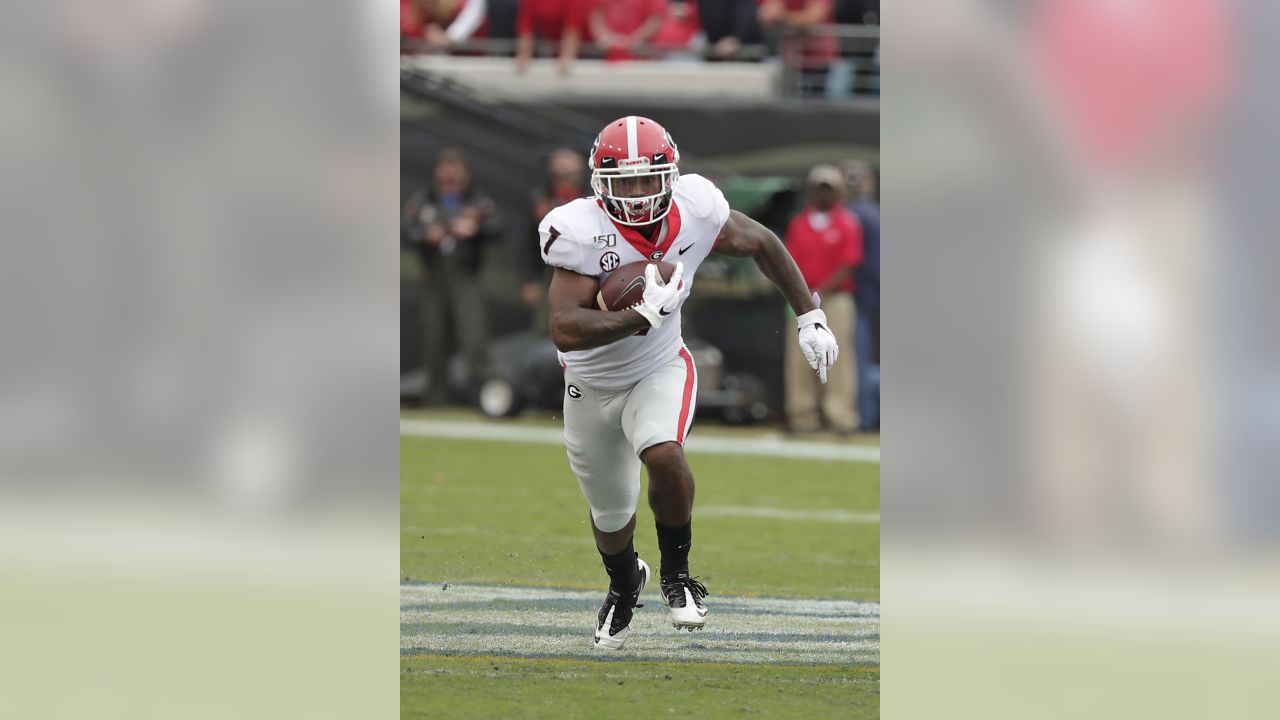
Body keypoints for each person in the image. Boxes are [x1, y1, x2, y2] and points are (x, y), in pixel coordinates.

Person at [538, 116, 839, 649]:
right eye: (622, 182)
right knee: (611, 515)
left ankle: (678, 577)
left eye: (645, 179)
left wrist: (808, 316)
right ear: (599, 183)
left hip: (660, 367)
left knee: (664, 453)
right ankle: (626, 582)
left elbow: (763, 242)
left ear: (670, 174)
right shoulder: (579, 229)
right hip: (590, 386)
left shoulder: (696, 208)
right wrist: (639, 316)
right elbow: (565, 330)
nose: (634, 194)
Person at [402, 148, 502, 405]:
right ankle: (436, 397)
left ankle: (481, 396)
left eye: (455, 171)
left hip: (466, 277)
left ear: (465, 175)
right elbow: (405, 230)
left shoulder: (477, 202)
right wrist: (425, 235)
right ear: (437, 173)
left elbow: (499, 227)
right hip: (434, 277)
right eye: (445, 170)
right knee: (434, 338)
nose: (450, 177)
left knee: (473, 337)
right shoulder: (423, 200)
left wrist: (475, 229)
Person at [782, 164, 863, 434]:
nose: (824, 195)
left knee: (837, 357)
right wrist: (803, 294)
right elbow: (789, 262)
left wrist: (821, 291)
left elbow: (848, 264)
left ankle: (840, 417)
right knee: (800, 358)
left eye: (829, 189)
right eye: (820, 189)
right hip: (803, 300)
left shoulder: (847, 223)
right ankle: (802, 417)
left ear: (839, 192)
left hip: (835, 300)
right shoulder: (799, 224)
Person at [523, 147, 589, 333]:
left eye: (569, 174)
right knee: (545, 325)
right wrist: (530, 279)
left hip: (584, 269)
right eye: (560, 174)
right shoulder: (541, 199)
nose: (565, 179)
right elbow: (529, 241)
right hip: (549, 270)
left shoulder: (590, 198)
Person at [845, 160, 879, 431]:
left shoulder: (858, 215)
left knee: (858, 358)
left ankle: (866, 418)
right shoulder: (872, 213)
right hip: (868, 295)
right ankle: (866, 417)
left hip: (861, 297)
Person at [514, 0, 588, 74]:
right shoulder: (530, 2)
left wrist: (566, 56)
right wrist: (524, 55)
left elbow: (572, 29)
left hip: (587, 50)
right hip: (556, 51)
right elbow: (525, 28)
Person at [588, 0, 667, 62]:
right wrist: (607, 38)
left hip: (640, 58)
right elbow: (596, 15)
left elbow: (656, 18)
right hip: (605, 57)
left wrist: (634, 39)